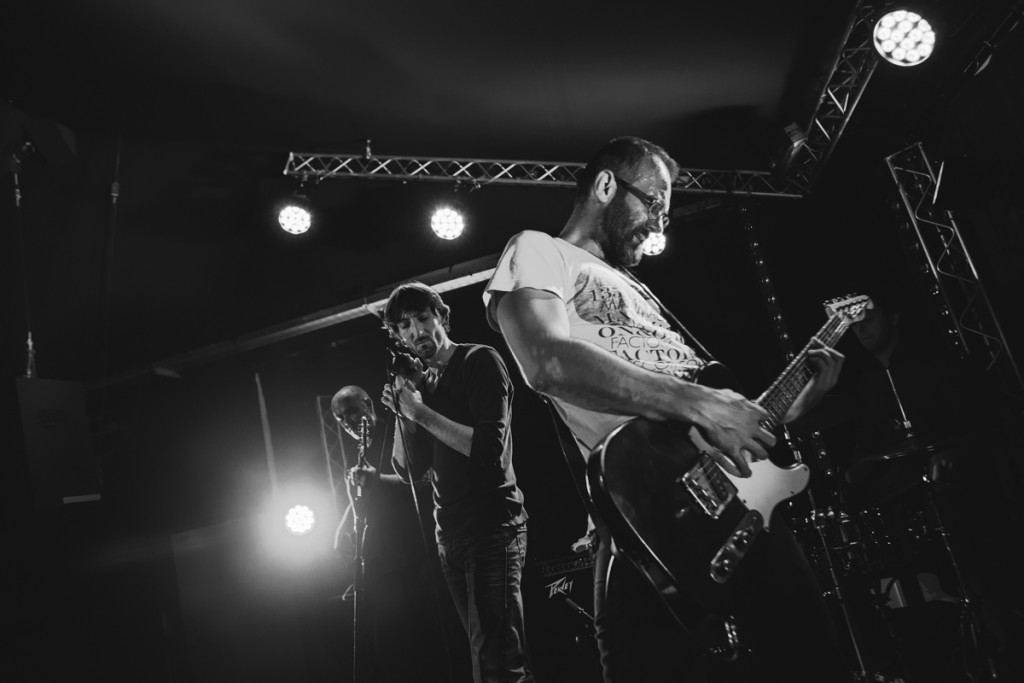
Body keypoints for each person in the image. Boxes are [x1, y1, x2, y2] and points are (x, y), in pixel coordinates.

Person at [483, 136, 849, 682]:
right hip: (647, 506)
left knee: (813, 661)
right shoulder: (540, 249)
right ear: (606, 185)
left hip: (729, 502)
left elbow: (710, 411)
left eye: (666, 215)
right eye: (654, 202)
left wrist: (786, 409)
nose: (658, 224)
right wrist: (700, 401)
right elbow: (547, 362)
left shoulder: (639, 290)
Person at [350, 281, 533, 683]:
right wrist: (404, 406)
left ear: (441, 317)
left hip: (493, 528)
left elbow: (488, 448)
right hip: (450, 535)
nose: (415, 331)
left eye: (421, 318)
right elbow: (407, 470)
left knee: (498, 661)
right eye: (403, 326)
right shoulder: (421, 387)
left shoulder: (479, 360)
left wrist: (419, 413)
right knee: (485, 658)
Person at [331, 385, 455, 683]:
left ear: (368, 405)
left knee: (437, 645)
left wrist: (378, 480)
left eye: (352, 410)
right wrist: (348, 514)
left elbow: (424, 479)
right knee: (396, 655)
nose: (349, 421)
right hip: (382, 567)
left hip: (418, 556)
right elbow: (363, 506)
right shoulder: (355, 453)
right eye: (341, 418)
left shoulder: (397, 431)